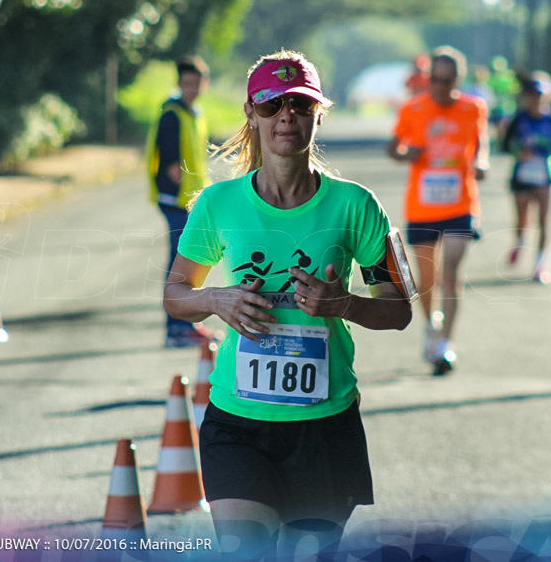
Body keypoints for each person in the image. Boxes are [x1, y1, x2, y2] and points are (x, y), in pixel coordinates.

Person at [163, 50, 413, 560]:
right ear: (251, 115)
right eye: (272, 105)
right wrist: (216, 299)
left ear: (318, 115)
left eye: (299, 105)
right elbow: (175, 295)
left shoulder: (356, 205)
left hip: (325, 427)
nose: (286, 117)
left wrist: (343, 304)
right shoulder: (218, 204)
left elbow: (399, 308)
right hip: (238, 423)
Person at [387, 46, 489, 375]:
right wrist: (407, 156)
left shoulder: (473, 108)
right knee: (427, 282)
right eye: (435, 80)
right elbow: (393, 147)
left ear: (458, 79)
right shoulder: (413, 108)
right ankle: (432, 327)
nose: (440, 87)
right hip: (422, 207)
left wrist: (482, 163)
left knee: (451, 275)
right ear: (428, 78)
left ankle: (445, 343)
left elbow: (480, 143)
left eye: (447, 81)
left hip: (460, 203)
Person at [145, 56, 216, 348]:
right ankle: (178, 328)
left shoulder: (194, 113)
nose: (192, 88)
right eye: (187, 83)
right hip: (175, 199)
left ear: (204, 83)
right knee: (183, 263)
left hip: (190, 200)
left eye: (197, 83)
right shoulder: (172, 114)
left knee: (188, 260)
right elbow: (172, 164)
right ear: (179, 83)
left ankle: (184, 325)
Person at [501, 72, 551, 284]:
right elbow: (505, 145)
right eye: (533, 95)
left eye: (541, 95)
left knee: (544, 222)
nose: (537, 99)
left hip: (545, 176)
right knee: (522, 221)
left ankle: (540, 265)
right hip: (522, 176)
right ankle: (519, 241)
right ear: (527, 97)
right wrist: (520, 152)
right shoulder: (518, 119)